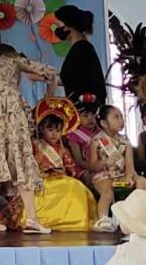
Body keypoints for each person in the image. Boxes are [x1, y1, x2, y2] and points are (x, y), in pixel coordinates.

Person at [0, 28, 60, 233]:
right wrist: (53, 84)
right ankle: (32, 218)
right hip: (7, 106)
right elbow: (45, 70)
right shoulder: (11, 58)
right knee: (19, 156)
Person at [31, 97, 98, 232]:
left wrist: (82, 174)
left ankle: (75, 220)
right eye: (50, 130)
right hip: (42, 180)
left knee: (76, 186)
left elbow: (71, 167)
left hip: (62, 178)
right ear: (41, 129)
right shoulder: (35, 146)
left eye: (57, 130)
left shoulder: (62, 149)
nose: (54, 134)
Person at [87, 103, 144, 230]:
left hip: (121, 175)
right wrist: (105, 163)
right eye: (116, 117)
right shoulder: (96, 141)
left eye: (121, 117)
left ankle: (137, 216)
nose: (121, 120)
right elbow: (92, 166)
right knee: (107, 192)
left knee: (141, 182)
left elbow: (129, 163)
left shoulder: (125, 141)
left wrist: (130, 176)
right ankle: (103, 219)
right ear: (104, 123)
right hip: (103, 176)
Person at [53, 5, 106, 106]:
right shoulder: (79, 48)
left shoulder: (82, 49)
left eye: (58, 24)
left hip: (85, 110)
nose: (56, 28)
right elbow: (72, 79)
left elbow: (74, 79)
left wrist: (45, 75)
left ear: (68, 25)